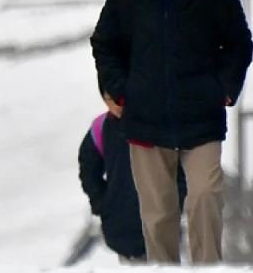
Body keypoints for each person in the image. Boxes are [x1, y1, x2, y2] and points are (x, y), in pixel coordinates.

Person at [89, 0, 253, 264]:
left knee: (205, 196)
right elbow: (105, 44)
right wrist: (115, 88)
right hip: (144, 120)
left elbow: (239, 45)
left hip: (202, 119)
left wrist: (225, 89)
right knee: (158, 213)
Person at [78, 111, 188, 264]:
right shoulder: (103, 125)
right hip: (124, 231)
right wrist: (103, 204)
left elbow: (185, 170)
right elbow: (88, 168)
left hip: (160, 231)